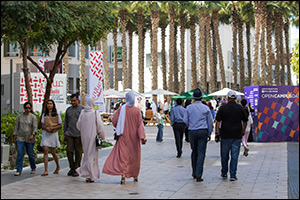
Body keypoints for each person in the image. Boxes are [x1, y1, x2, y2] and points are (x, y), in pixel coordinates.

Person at [102, 92, 147, 185]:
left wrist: (118, 126)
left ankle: (123, 174)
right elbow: (140, 125)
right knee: (134, 157)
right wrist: (142, 137)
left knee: (123, 156)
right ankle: (135, 175)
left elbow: (114, 120)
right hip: (134, 138)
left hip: (123, 137)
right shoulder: (137, 111)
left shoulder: (121, 109)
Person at [214, 91, 248, 181]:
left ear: (228, 98)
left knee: (224, 154)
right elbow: (245, 120)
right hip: (237, 134)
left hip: (225, 134)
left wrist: (216, 133)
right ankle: (233, 174)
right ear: (235, 98)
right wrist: (243, 130)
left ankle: (224, 172)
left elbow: (217, 121)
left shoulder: (223, 108)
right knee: (235, 155)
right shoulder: (240, 108)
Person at [183, 88, 213, 182]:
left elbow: (185, 120)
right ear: (201, 97)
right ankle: (199, 174)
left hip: (192, 131)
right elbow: (210, 122)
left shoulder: (189, 108)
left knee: (194, 152)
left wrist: (190, 125)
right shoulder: (206, 108)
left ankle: (194, 172)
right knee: (201, 153)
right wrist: (209, 133)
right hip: (202, 131)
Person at [76, 97, 105, 183]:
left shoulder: (82, 112)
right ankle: (91, 175)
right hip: (93, 137)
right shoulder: (95, 113)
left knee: (86, 155)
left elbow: (78, 125)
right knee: (92, 156)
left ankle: (87, 174)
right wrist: (102, 136)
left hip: (84, 137)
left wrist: (84, 131)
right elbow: (100, 126)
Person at [13, 102, 37, 176]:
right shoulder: (20, 117)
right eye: (26, 108)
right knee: (20, 154)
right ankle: (19, 170)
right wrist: (15, 136)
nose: (28, 109)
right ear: (24, 108)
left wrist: (33, 134)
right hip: (20, 137)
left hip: (29, 138)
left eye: (29, 108)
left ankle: (33, 167)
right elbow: (16, 126)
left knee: (30, 153)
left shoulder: (33, 117)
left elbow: (35, 127)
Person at [64, 93, 84, 177]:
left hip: (79, 134)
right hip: (69, 133)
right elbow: (66, 122)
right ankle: (71, 167)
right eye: (71, 101)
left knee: (78, 152)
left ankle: (76, 168)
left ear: (78, 100)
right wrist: (64, 133)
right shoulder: (68, 110)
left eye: (74, 101)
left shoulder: (82, 109)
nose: (72, 102)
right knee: (69, 151)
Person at [40, 99, 62, 176]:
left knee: (53, 152)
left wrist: (53, 128)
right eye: (48, 104)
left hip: (53, 134)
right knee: (45, 150)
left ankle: (58, 166)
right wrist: (46, 128)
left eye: (50, 104)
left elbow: (60, 125)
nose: (49, 105)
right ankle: (46, 170)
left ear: (53, 105)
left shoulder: (56, 114)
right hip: (46, 134)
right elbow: (42, 125)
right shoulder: (44, 114)